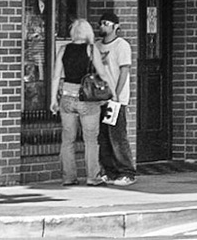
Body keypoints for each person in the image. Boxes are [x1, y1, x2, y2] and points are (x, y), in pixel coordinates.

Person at [49, 17, 113, 185]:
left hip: (67, 98)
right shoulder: (91, 50)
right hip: (87, 98)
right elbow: (102, 73)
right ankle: (92, 176)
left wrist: (52, 99)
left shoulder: (63, 49)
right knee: (91, 139)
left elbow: (56, 76)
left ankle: (68, 177)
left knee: (67, 139)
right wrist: (112, 92)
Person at [94, 11, 136, 185]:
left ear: (115, 26)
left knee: (117, 135)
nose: (102, 26)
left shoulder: (121, 45)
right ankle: (109, 171)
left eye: (106, 23)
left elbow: (124, 70)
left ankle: (126, 172)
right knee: (103, 136)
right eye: (101, 23)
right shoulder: (97, 46)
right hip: (99, 96)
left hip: (115, 98)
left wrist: (117, 95)